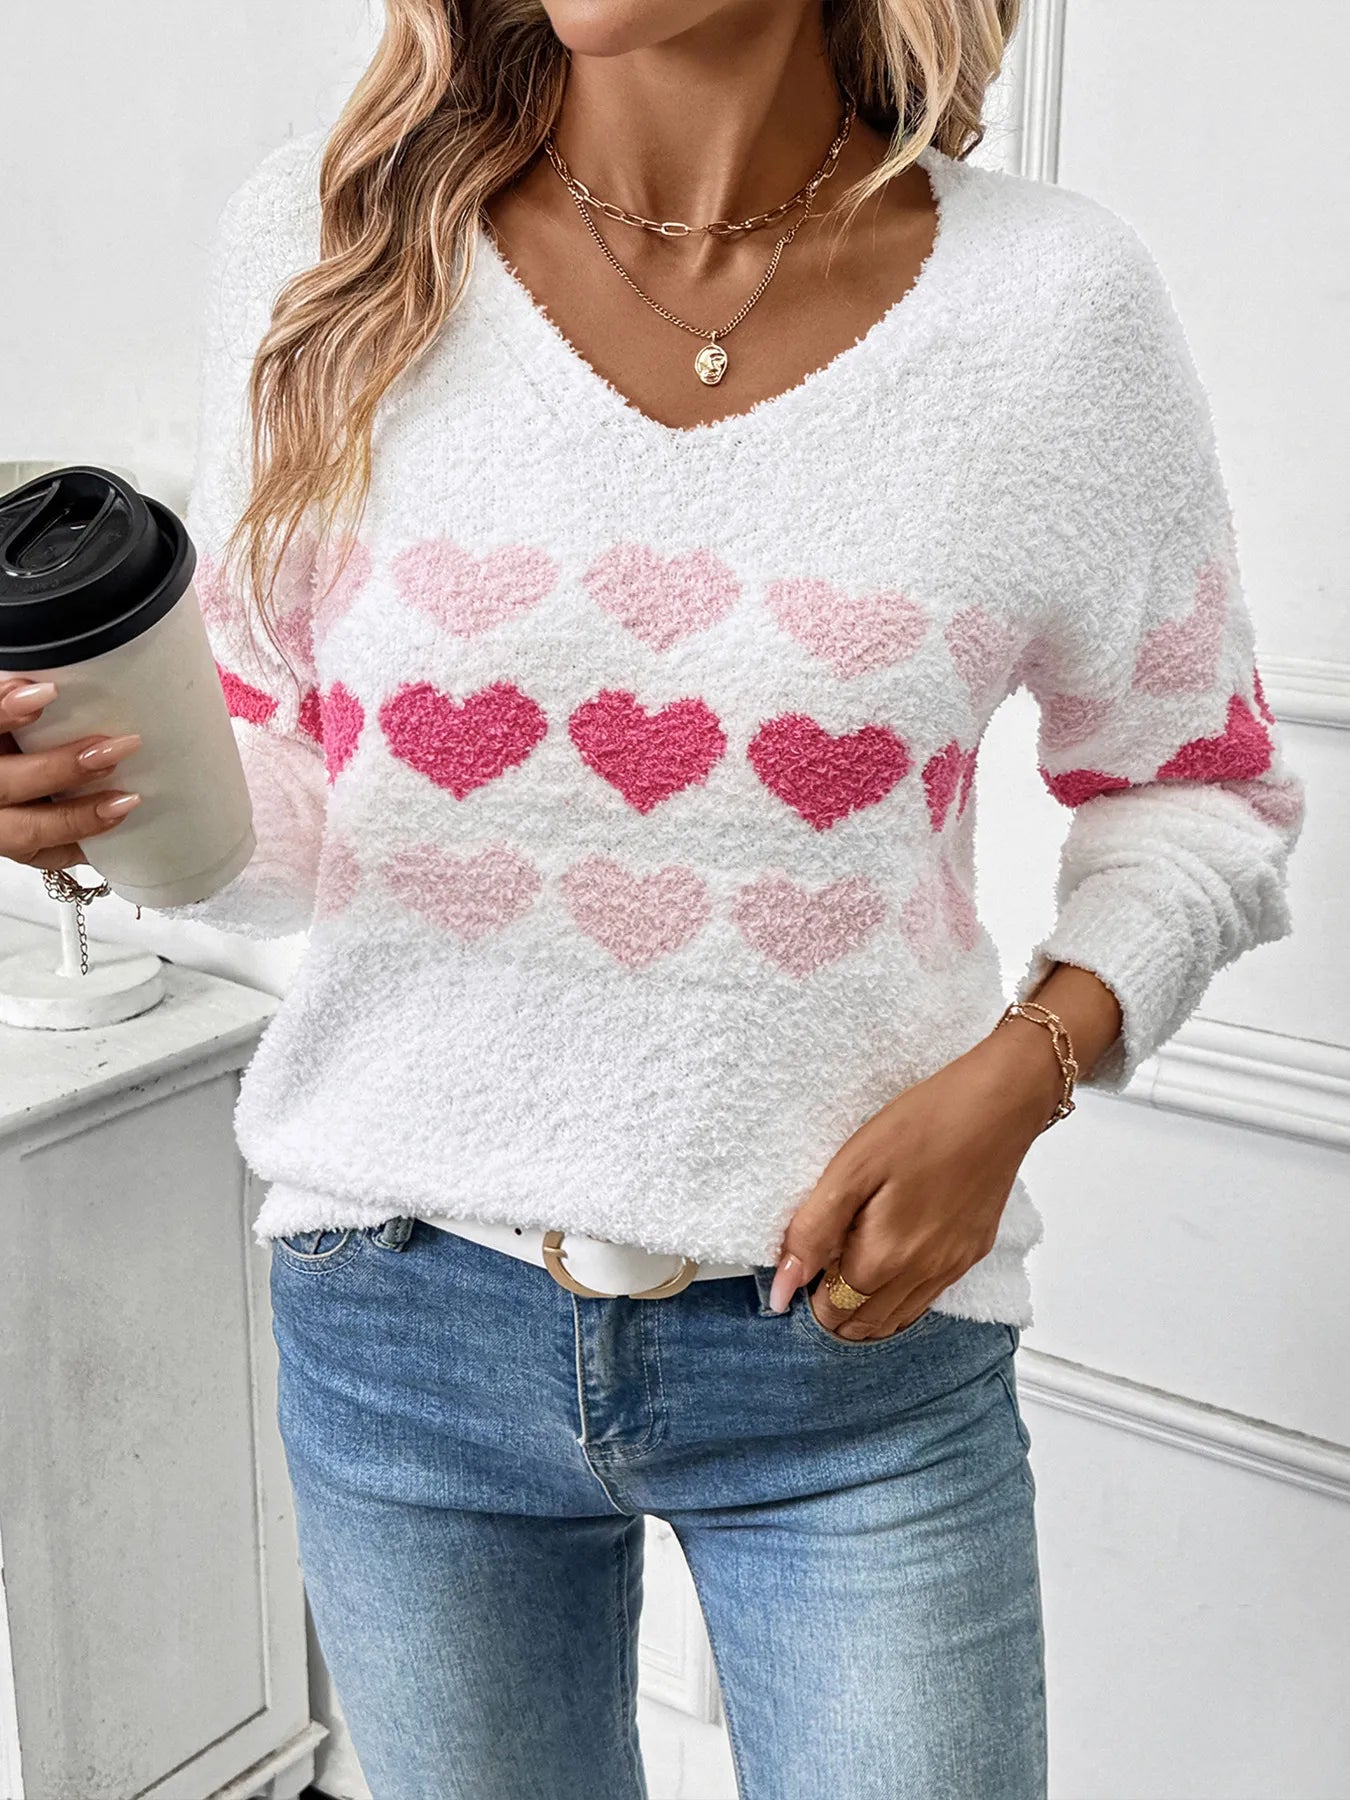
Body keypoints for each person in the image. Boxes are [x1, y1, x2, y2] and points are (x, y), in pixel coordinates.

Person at [0, 0, 1305, 1793]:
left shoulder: (1047, 308)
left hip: (846, 1354)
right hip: (400, 1324)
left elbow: (1199, 786)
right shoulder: (325, 250)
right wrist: (117, 804)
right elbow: (314, 805)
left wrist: (1022, 1077)